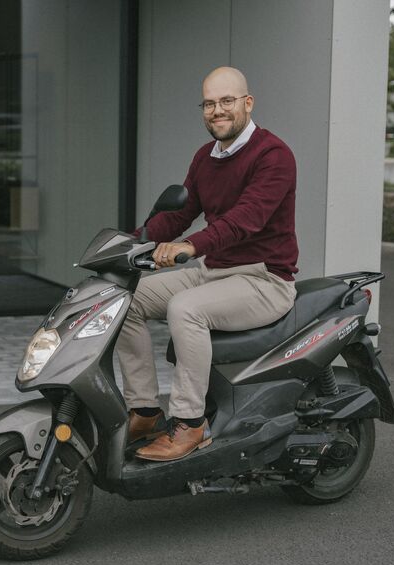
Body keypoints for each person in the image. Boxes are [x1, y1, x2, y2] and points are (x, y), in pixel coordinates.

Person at [116, 66, 298, 462]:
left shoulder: (274, 155)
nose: (218, 110)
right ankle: (145, 409)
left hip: (263, 279)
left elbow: (245, 220)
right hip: (213, 272)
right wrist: (131, 241)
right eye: (210, 103)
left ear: (247, 104)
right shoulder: (206, 157)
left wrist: (188, 247)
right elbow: (181, 216)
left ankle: (190, 423)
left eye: (227, 101)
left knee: (186, 310)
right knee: (123, 299)